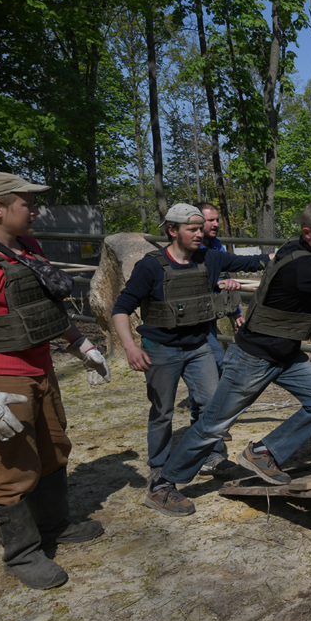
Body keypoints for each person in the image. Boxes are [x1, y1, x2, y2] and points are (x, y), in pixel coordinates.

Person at [148, 200, 311, 516]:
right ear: (308, 233)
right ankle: (163, 485)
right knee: (213, 425)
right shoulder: (306, 267)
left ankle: (263, 452)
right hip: (253, 358)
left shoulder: (296, 249)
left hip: (285, 354)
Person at [0, 172, 112, 590]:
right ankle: (21, 552)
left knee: (54, 447)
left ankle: (54, 525)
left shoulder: (27, 249)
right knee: (15, 464)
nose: (36, 209)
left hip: (41, 367)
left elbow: (45, 306)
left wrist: (81, 344)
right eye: (27, 203)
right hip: (1, 377)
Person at [110, 203, 272, 493]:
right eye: (193, 229)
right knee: (162, 412)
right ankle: (158, 468)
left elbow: (255, 261)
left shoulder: (209, 258)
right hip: (160, 350)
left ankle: (211, 456)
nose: (200, 233)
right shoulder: (151, 266)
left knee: (213, 406)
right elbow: (121, 308)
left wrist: (287, 254)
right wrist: (131, 347)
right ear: (173, 230)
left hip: (199, 347)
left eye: (201, 228)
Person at [196, 201, 240, 441]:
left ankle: (206, 429)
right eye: (210, 220)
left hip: (209, 320)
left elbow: (226, 275)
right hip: (190, 324)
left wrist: (237, 313)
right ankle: (209, 427)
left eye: (217, 219)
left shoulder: (216, 246)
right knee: (216, 369)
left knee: (214, 372)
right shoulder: (190, 249)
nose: (216, 224)